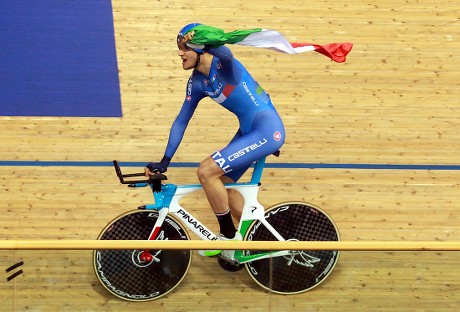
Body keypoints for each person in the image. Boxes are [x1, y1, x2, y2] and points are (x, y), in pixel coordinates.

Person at [145, 23, 285, 255]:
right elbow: (181, 120)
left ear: (200, 50)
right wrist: (165, 160)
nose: (180, 53)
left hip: (266, 130)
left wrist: (202, 41)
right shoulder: (197, 82)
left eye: (184, 48)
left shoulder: (223, 66)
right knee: (225, 185)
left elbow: (226, 52)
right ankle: (257, 241)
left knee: (206, 171)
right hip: (250, 132)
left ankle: (228, 237)